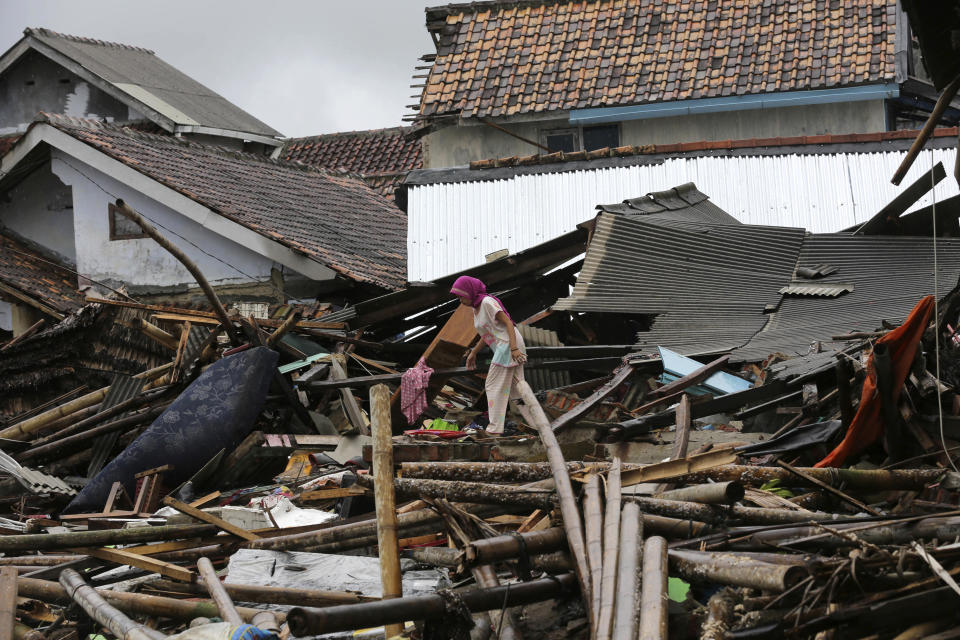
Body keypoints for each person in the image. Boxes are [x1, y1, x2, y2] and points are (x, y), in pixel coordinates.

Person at [450, 276, 527, 435]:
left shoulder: (487, 302)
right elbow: (487, 335)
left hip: (508, 345)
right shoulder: (475, 308)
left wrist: (513, 348)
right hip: (504, 346)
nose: (459, 300)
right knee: (518, 390)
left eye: (460, 296)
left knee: (493, 385)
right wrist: (473, 352)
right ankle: (538, 424)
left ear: (470, 291)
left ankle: (494, 429)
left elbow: (508, 323)